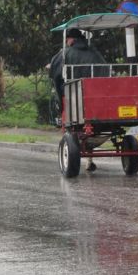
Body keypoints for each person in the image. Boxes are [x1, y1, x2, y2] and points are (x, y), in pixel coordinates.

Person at [49, 28, 106, 172]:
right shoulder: (95, 53)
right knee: (91, 127)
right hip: (97, 98)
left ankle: (74, 156)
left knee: (71, 128)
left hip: (72, 97)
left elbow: (55, 72)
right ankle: (90, 160)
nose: (67, 43)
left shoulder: (65, 54)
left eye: (67, 40)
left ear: (71, 40)